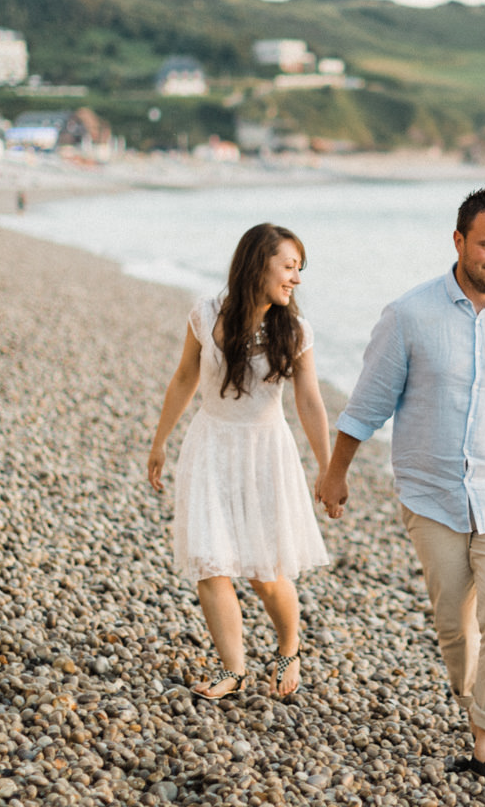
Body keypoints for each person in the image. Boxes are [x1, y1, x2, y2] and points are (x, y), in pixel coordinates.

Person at [316, 188, 485, 785]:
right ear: (458, 241)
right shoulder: (409, 315)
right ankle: (480, 703)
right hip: (431, 496)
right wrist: (336, 472)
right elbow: (368, 403)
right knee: (455, 624)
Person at [148, 223, 331, 699]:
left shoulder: (296, 330)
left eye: (299, 269)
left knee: (265, 574)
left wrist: (330, 467)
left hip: (265, 453)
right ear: (258, 264)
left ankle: (289, 645)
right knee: (211, 563)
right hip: (210, 446)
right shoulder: (205, 315)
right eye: (288, 267)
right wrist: (159, 441)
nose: (296, 278)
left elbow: (309, 401)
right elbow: (185, 377)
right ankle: (234, 670)